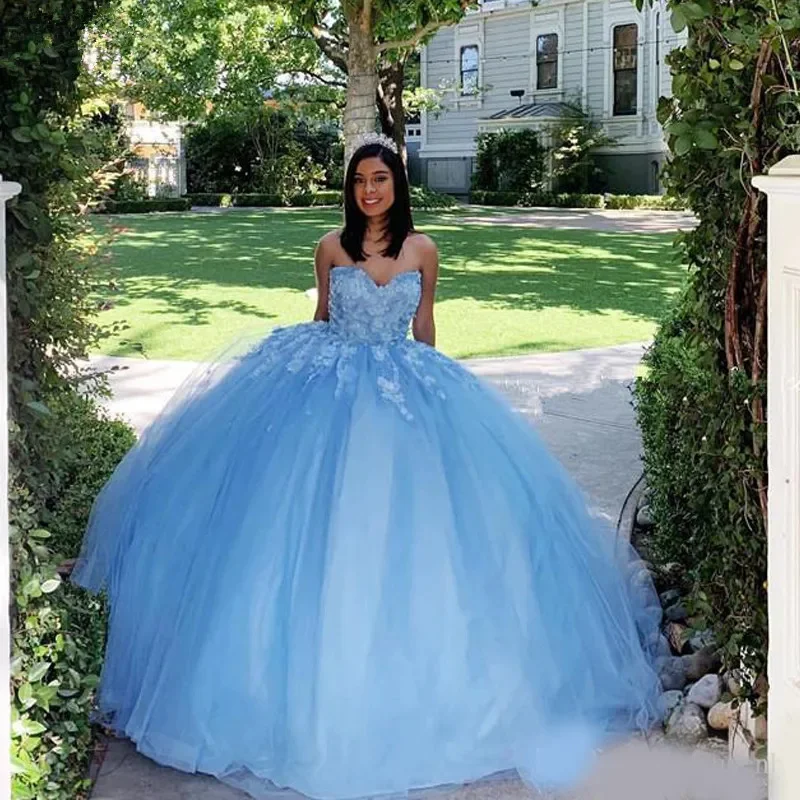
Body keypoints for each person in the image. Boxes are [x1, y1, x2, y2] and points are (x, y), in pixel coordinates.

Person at [73, 132, 665, 800]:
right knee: (302, 523)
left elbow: (425, 326)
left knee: (430, 523)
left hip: (407, 384)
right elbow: (323, 317)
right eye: (359, 182)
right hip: (332, 386)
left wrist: (440, 385)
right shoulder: (331, 247)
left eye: (379, 179)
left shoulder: (422, 249)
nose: (369, 191)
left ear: (397, 185)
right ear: (351, 189)